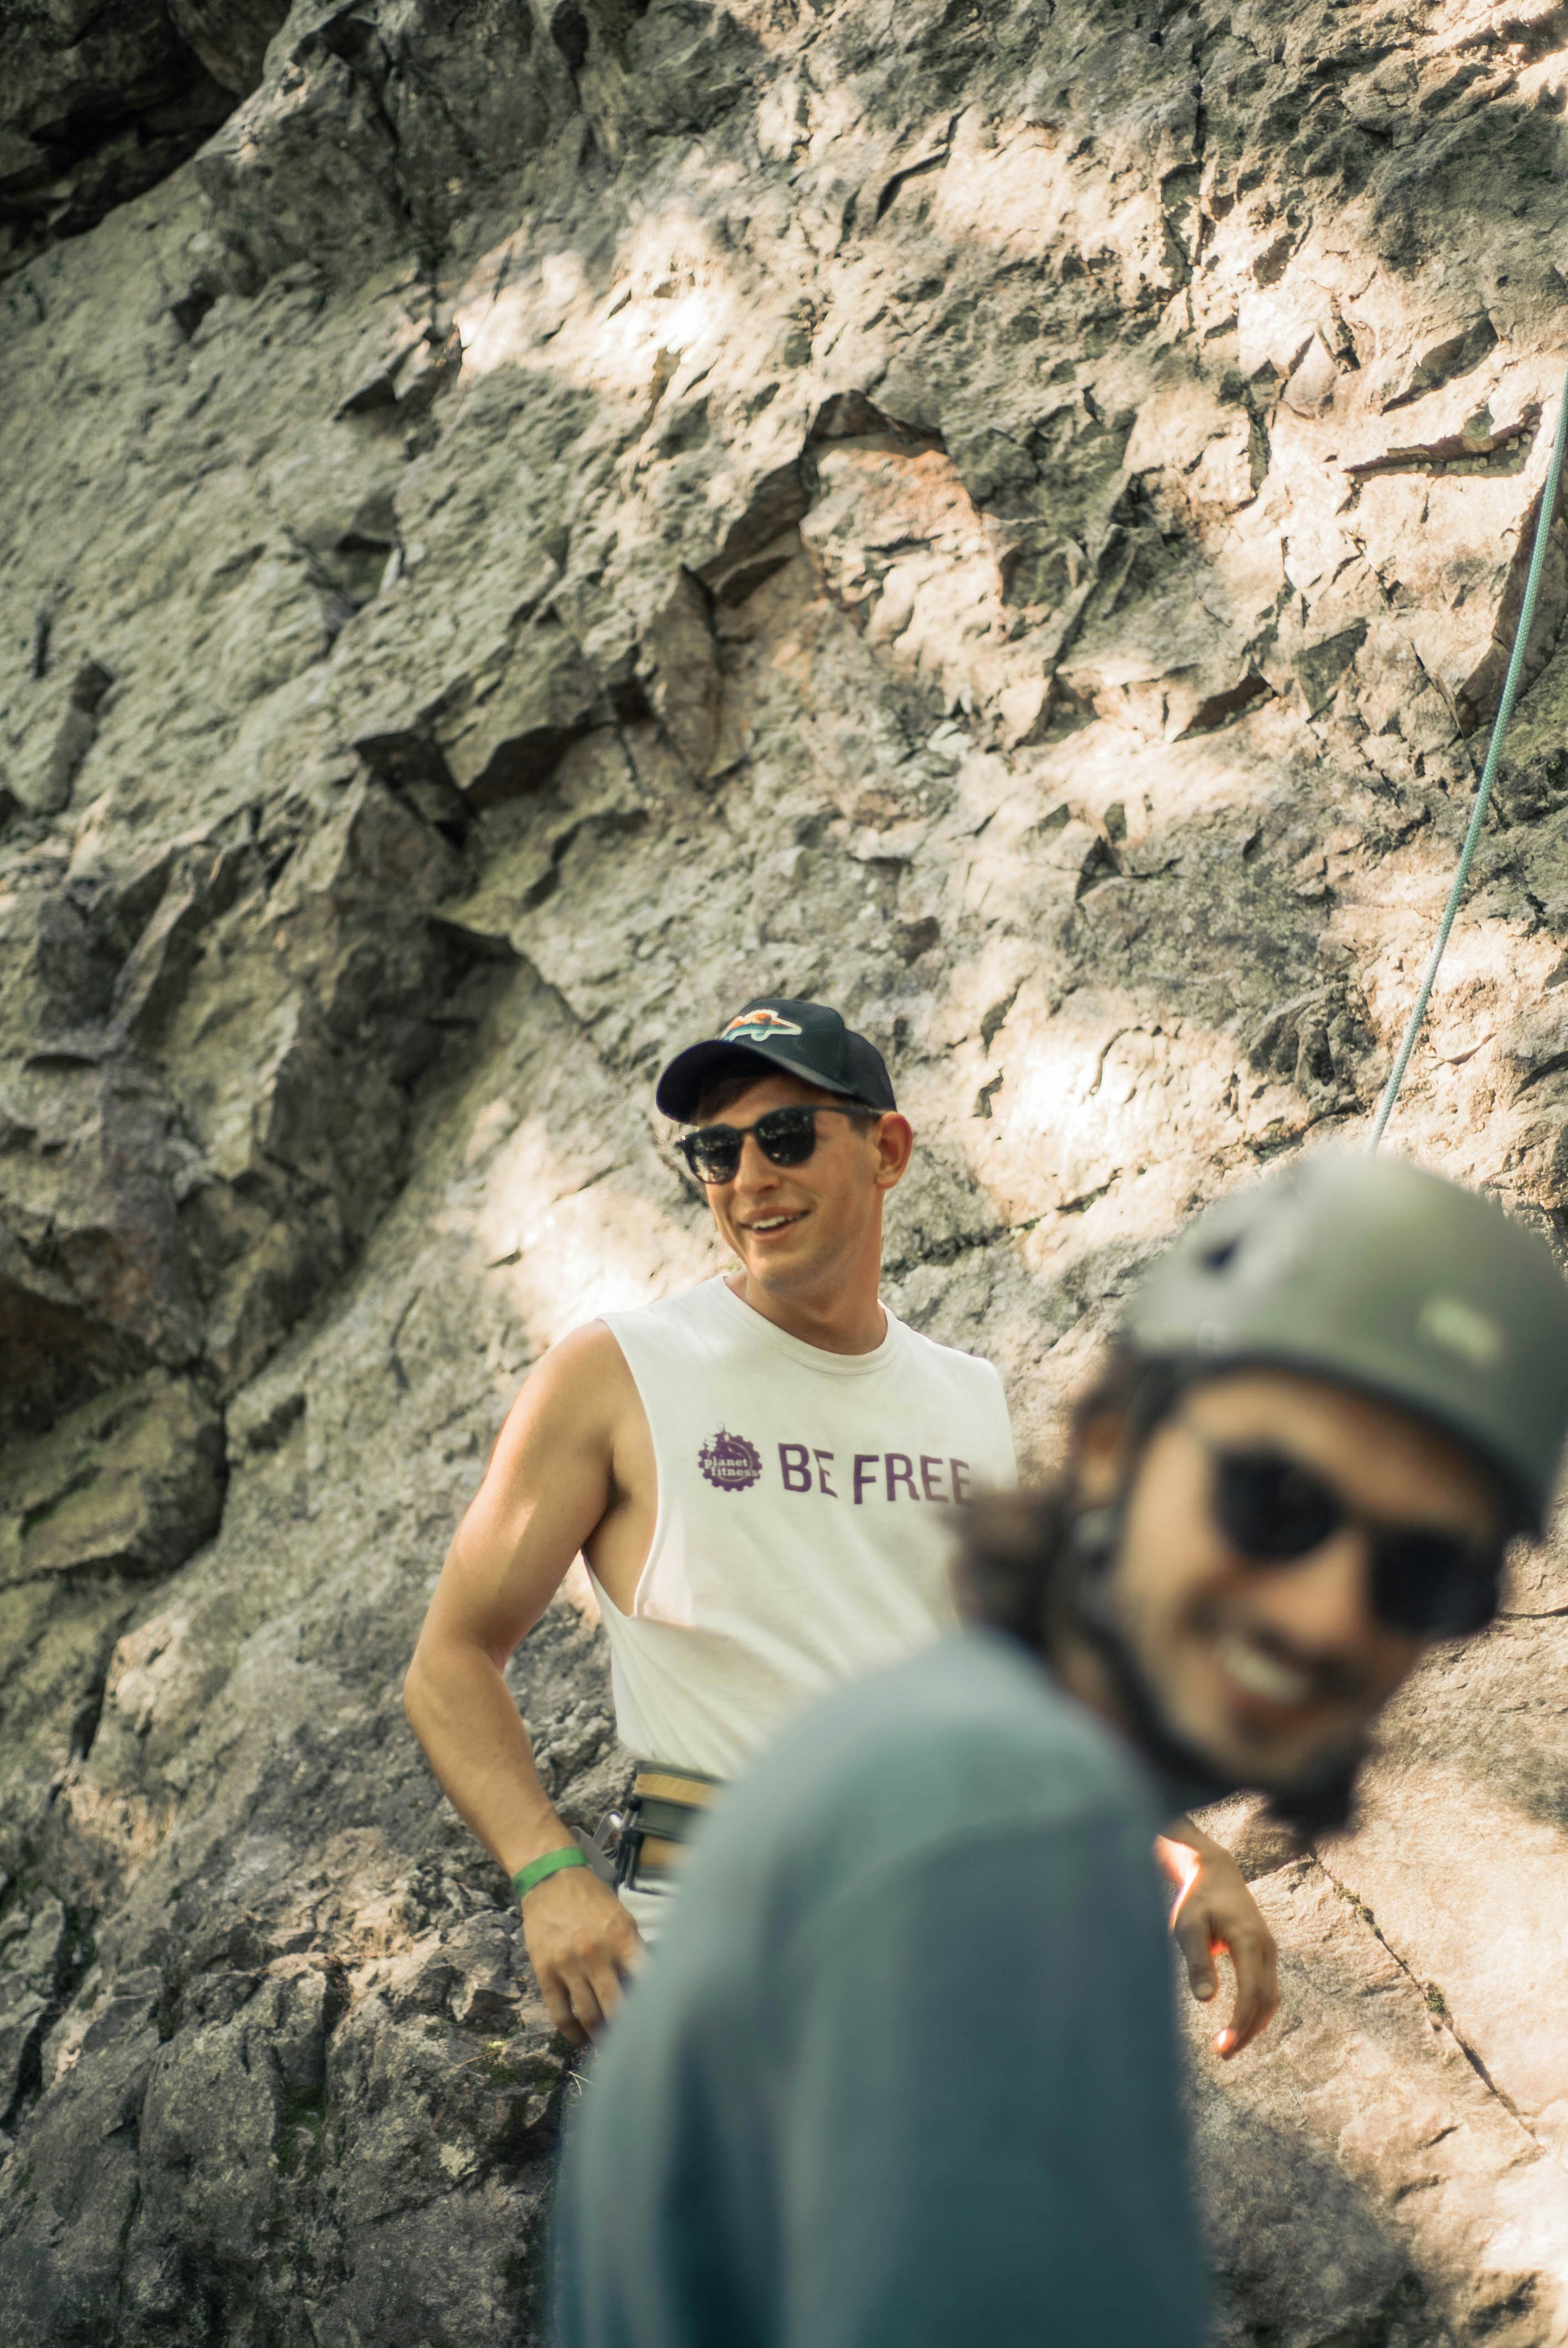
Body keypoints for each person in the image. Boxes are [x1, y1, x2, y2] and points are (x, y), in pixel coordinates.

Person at [553, 1147, 1568, 2348]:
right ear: (1110, 1447)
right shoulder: (1010, 1833)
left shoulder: (946, 1757)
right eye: (1275, 1499)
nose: (1328, 1613)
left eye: (1425, 1573)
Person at [404, 996, 1275, 2049]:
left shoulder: (963, 1396)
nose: (749, 1178)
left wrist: (1179, 1852)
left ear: (887, 1150)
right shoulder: (618, 1372)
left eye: (785, 1137)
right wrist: (548, 1872)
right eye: (717, 1152)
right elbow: (449, 1662)